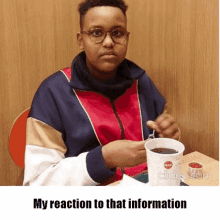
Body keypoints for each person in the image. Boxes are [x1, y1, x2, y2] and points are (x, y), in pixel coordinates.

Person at [23, 0, 180, 186]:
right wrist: (102, 159)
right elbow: (36, 184)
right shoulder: (52, 92)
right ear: (81, 40)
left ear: (127, 37)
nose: (108, 42)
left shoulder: (141, 82)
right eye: (97, 33)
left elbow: (157, 146)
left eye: (117, 33)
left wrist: (168, 138)